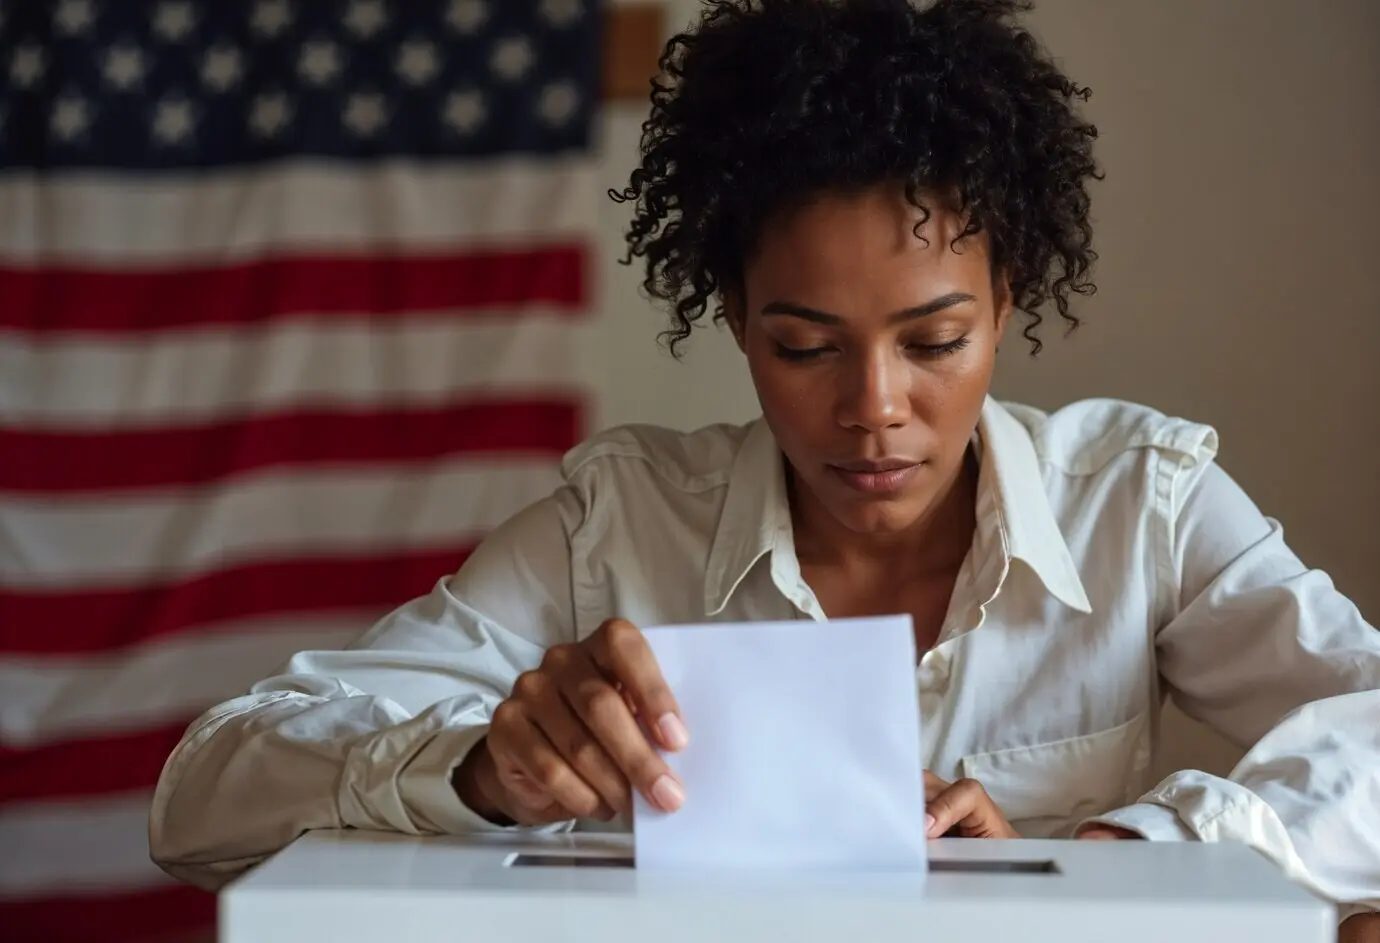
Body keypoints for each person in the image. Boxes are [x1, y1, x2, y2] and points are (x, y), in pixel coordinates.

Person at [150, 0, 1379, 936]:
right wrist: (474, 767)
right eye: (804, 346)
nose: (873, 411)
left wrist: (1129, 845)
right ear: (734, 318)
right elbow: (202, 793)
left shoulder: (1139, 503)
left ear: (1008, 303)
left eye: (936, 341)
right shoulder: (617, 528)